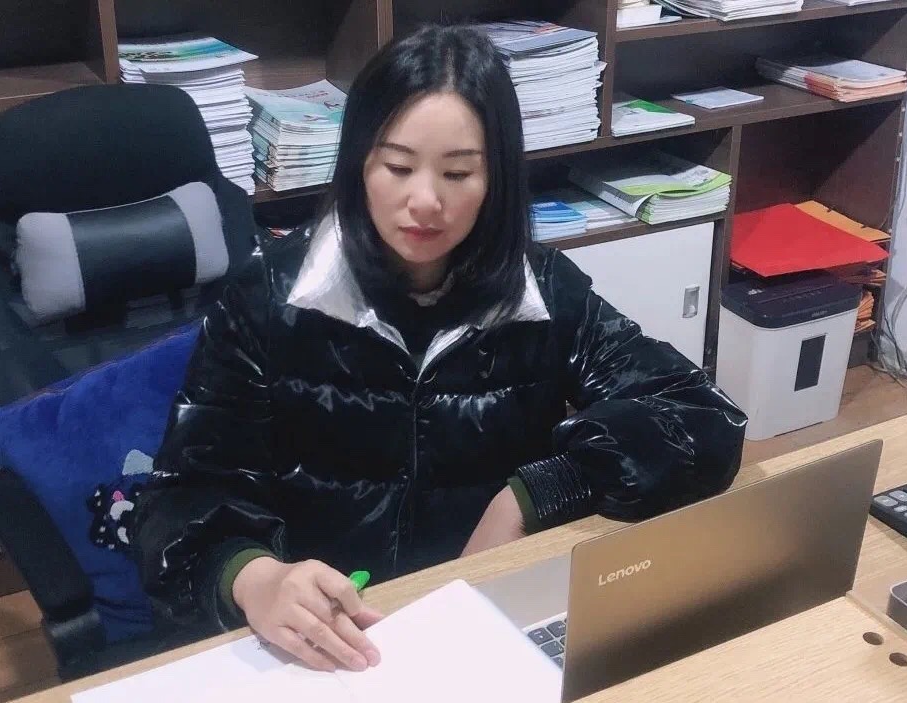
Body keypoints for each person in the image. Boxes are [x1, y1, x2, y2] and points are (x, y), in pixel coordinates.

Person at [132, 24, 746, 674]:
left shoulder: (540, 293)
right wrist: (255, 578)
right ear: (359, 162)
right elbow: (179, 498)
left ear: (496, 178)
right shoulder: (269, 300)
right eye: (397, 167)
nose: (424, 201)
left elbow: (702, 416)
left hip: (485, 621)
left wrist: (532, 495)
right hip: (325, 646)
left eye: (458, 172)